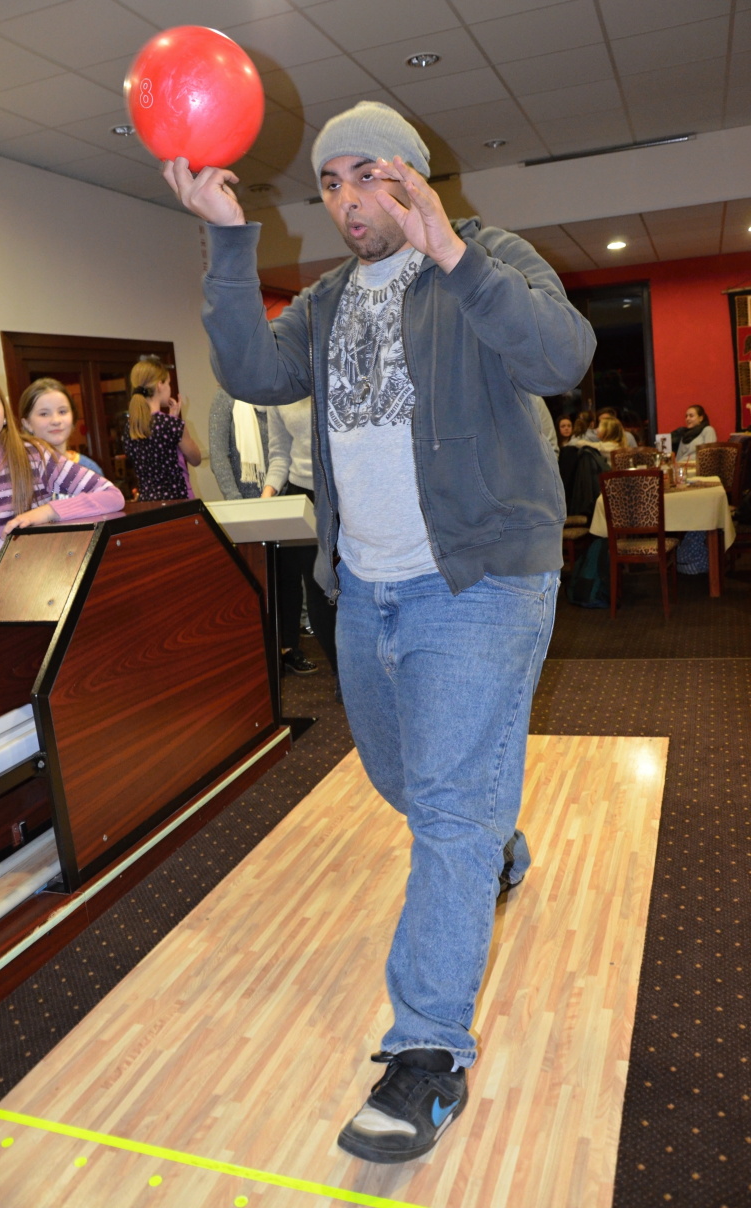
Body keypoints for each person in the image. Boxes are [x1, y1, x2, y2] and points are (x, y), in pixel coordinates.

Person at [164, 100, 595, 1164]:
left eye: (367, 174)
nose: (349, 200)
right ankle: (493, 841)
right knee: (405, 778)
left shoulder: (488, 256)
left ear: (412, 173)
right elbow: (250, 373)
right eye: (331, 183)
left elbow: (561, 357)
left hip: (480, 577)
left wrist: (451, 252)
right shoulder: (323, 301)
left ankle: (427, 1053)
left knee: (443, 809)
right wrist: (227, 239)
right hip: (364, 586)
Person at [0, 370, 124, 638]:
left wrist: (46, 513)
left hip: (40, 586)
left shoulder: (36, 455)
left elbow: (112, 496)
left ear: (5, 413)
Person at [209, 384, 317, 675]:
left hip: (284, 499)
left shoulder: (275, 394)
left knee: (290, 580)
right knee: (258, 584)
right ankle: (261, 654)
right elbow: (218, 457)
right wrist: (239, 506)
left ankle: (289, 648)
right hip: (248, 508)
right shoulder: (226, 398)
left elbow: (282, 451)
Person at [261, 398, 339, 685]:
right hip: (303, 495)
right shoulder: (278, 393)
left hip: (344, 490)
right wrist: (267, 495)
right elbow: (279, 454)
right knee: (318, 590)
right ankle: (341, 673)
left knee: (352, 584)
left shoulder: (331, 376)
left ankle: (361, 670)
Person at [123, 356, 201, 500]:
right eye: (168, 383)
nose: (169, 388)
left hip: (148, 502)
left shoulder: (130, 428)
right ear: (160, 385)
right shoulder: (171, 425)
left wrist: (172, 420)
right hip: (178, 500)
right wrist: (175, 422)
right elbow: (196, 459)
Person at [19, 377, 104, 474]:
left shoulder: (89, 468)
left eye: (62, 412)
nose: (56, 421)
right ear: (27, 423)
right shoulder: (18, 470)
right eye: (44, 414)